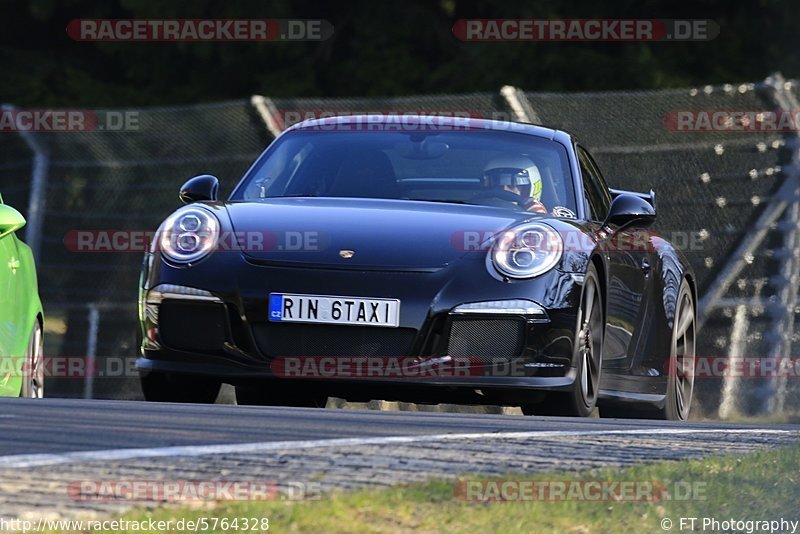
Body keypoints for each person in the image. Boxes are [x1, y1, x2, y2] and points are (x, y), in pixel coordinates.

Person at [474, 155, 548, 213]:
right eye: (497, 186)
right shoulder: (474, 213)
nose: (503, 190)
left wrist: (536, 216)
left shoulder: (537, 222)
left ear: (529, 189)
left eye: (511, 186)